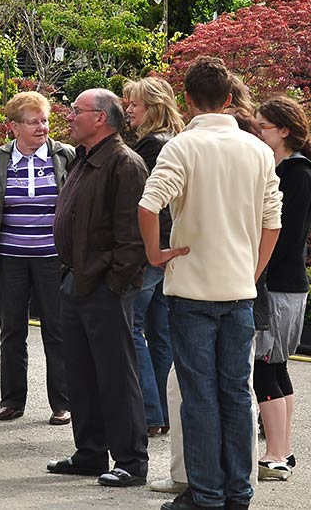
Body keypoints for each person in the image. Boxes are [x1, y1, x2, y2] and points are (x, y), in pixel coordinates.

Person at [139, 56, 282, 510]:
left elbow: (148, 205)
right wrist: (252, 271)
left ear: (187, 99)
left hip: (192, 291)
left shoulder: (182, 147)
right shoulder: (257, 149)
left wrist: (154, 254)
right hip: (238, 291)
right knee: (237, 394)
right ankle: (238, 492)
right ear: (228, 99)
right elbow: (272, 221)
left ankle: (205, 493)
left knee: (199, 396)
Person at [47, 88, 150, 489]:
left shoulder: (124, 163)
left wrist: (114, 284)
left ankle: (131, 461)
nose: (69, 117)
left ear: (102, 118)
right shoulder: (84, 159)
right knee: (81, 372)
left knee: (116, 375)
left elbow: (133, 238)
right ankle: (90, 453)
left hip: (105, 286)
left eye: (77, 111)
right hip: (76, 279)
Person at [0, 91, 73, 426]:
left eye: (45, 120)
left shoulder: (65, 155)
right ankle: (12, 401)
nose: (42, 127)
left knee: (57, 330)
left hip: (53, 259)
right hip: (10, 257)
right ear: (14, 126)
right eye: (33, 122)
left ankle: (62, 403)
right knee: (12, 330)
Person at [253, 96, 311, 481]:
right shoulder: (286, 169)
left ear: (284, 130)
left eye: (263, 127)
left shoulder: (295, 173)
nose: (257, 132)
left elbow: (286, 237)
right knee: (276, 366)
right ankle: (282, 452)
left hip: (279, 285)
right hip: (284, 283)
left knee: (265, 368)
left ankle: (276, 453)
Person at [123, 77, 184, 437]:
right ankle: (163, 411)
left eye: (136, 103)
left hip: (151, 252)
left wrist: (146, 249)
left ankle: (149, 412)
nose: (129, 108)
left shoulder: (152, 145)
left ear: (154, 107)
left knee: (132, 327)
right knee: (161, 333)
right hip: (169, 250)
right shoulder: (176, 142)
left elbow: (149, 204)